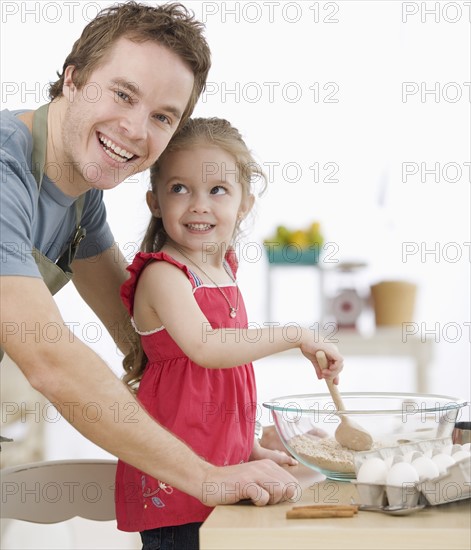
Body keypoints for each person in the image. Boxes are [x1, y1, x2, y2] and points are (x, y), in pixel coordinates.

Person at [0, 1, 300, 509]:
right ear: (72, 79)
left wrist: (227, 437)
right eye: (122, 94)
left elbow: (143, 341)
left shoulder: (80, 199)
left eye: (162, 116)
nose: (136, 131)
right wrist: (205, 476)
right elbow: (50, 360)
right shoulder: (7, 169)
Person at [114, 117, 344, 549]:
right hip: (177, 476)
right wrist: (294, 334)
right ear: (155, 201)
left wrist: (248, 447)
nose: (199, 204)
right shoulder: (165, 273)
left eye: (217, 190)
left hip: (223, 471)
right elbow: (208, 349)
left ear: (243, 204)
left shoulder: (223, 270)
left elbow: (216, 389)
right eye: (180, 188)